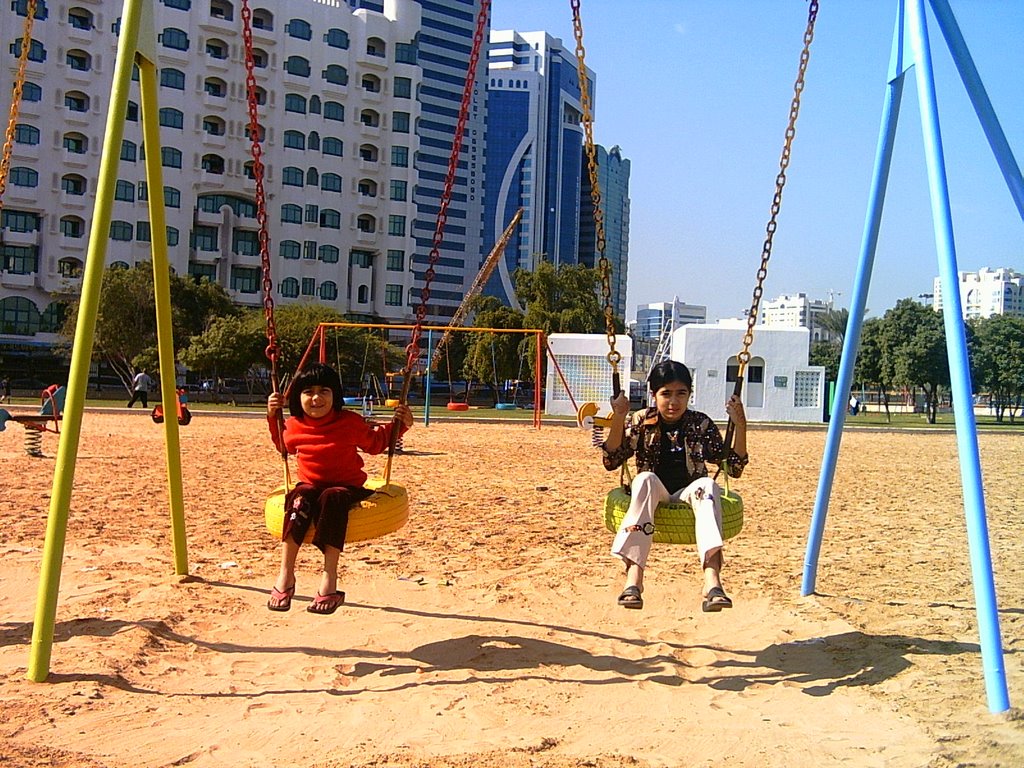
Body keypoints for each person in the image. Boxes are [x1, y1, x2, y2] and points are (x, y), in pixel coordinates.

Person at [266, 362, 413, 615]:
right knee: (299, 497)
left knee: (332, 497)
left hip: (346, 487)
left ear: (335, 395)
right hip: (309, 486)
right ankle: (286, 575)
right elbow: (283, 446)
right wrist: (272, 416)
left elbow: (376, 444)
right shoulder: (293, 426)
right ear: (297, 397)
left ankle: (329, 580)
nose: (316, 397)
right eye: (308, 391)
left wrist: (401, 424)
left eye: (324, 390)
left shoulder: (349, 422)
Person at [601, 360, 748, 612]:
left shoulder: (700, 424)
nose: (673, 401)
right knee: (644, 479)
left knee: (707, 486)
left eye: (681, 393)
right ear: (653, 395)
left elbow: (732, 468)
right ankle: (634, 580)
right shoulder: (640, 420)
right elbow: (612, 459)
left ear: (689, 394)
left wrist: (740, 423)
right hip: (653, 492)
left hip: (690, 493)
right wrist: (619, 416)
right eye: (665, 393)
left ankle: (712, 583)